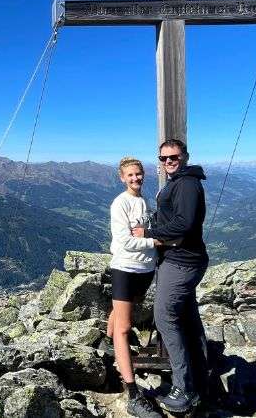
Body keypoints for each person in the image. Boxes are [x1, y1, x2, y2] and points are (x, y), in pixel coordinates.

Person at [132, 138, 209, 414]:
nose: (168, 162)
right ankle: (199, 381)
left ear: (185, 156)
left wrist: (148, 234)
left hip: (181, 262)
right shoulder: (179, 182)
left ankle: (183, 388)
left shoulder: (187, 183)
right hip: (181, 260)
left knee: (165, 317)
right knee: (187, 319)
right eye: (164, 158)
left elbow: (184, 224)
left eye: (173, 157)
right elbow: (175, 219)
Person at [107, 156, 162, 418]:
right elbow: (125, 241)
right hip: (125, 269)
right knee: (125, 327)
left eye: (138, 174)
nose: (135, 178)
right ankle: (131, 392)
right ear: (122, 177)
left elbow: (142, 231)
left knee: (121, 314)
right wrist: (156, 242)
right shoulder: (120, 203)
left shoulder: (143, 200)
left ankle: (109, 345)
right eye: (130, 175)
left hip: (144, 270)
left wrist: (149, 238)